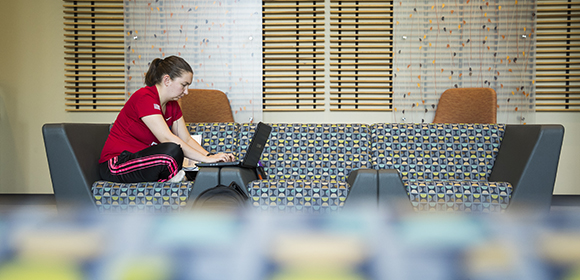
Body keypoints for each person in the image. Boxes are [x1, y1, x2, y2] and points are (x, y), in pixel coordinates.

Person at [99, 55, 234, 183]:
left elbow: (186, 138)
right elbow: (167, 138)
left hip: (146, 163)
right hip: (116, 165)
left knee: (176, 153)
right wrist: (205, 159)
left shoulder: (172, 105)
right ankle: (174, 177)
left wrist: (211, 157)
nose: (186, 92)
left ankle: (174, 177)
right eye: (184, 85)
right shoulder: (144, 97)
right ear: (167, 80)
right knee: (171, 150)